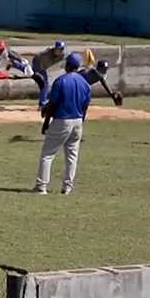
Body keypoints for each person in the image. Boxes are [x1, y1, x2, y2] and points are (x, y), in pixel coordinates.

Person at [34, 52, 91, 196]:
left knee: (48, 154)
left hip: (61, 120)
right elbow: (85, 106)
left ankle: (42, 187)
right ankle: (67, 188)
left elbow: (52, 104)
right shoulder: (85, 83)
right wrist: (81, 122)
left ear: (67, 65)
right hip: (77, 120)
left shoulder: (61, 81)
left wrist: (46, 122)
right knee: (72, 156)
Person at [32, 40, 67, 109]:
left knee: (46, 85)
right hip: (38, 65)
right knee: (45, 84)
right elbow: (36, 57)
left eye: (62, 49)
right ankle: (42, 103)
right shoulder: (46, 53)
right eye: (59, 49)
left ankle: (44, 101)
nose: (60, 50)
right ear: (55, 48)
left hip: (44, 68)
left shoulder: (63, 55)